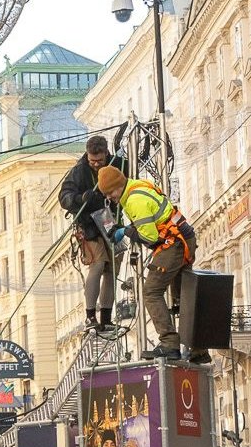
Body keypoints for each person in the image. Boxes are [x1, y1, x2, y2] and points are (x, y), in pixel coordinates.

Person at [97, 166, 202, 362]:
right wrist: (127, 228)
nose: (110, 198)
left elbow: (150, 238)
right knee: (182, 295)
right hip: (182, 238)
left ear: (119, 185)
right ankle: (199, 349)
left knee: (151, 292)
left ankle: (169, 344)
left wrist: (125, 231)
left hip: (173, 244)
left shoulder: (134, 200)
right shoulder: (137, 186)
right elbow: (149, 222)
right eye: (106, 194)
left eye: (110, 192)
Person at [57, 134, 128, 330]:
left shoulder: (118, 164)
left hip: (109, 219)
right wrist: (80, 198)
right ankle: (90, 316)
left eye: (99, 160)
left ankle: (106, 316)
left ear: (106, 153)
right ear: (87, 156)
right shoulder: (79, 171)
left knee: (112, 269)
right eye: (92, 161)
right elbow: (64, 196)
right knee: (98, 263)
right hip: (88, 223)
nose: (96, 164)